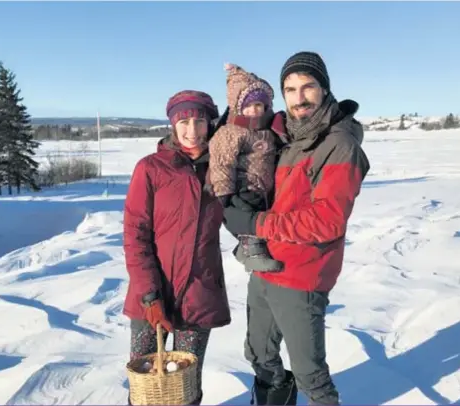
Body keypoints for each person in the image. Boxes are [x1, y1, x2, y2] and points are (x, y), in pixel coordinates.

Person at [222, 51, 371, 405]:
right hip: (266, 268)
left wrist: (255, 222)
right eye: (290, 89)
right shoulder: (289, 138)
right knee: (258, 354)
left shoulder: (339, 144)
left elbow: (327, 220)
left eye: (308, 87)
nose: (299, 97)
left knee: (310, 375)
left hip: (302, 275)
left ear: (325, 89)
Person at [122, 90, 231, 405]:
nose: (192, 130)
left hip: (199, 293)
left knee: (185, 384)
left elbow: (246, 210)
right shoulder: (151, 168)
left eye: (199, 120)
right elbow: (135, 233)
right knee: (146, 382)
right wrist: (148, 293)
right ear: (172, 124)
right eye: (184, 121)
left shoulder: (221, 170)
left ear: (210, 123)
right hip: (152, 293)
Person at [208, 63, 284, 273]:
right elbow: (222, 162)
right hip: (244, 187)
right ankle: (251, 252)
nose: (254, 110)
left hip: (264, 186)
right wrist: (225, 193)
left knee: (264, 218)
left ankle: (248, 248)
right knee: (249, 218)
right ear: (239, 107)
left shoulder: (266, 130)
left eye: (259, 105)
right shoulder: (231, 132)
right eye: (249, 106)